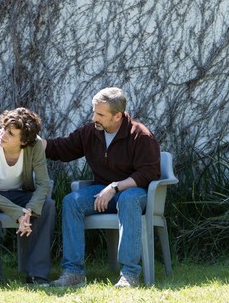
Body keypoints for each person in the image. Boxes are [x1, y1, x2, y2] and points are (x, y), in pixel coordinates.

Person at [45, 87, 161, 288]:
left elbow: (149, 174)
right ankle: (73, 273)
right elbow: (63, 149)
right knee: (71, 202)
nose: (94, 118)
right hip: (102, 191)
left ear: (118, 116)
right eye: (94, 112)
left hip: (136, 192)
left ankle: (130, 274)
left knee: (128, 199)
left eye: (100, 114)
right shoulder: (91, 132)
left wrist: (115, 187)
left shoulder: (140, 135)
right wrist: (36, 143)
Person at [0, 107, 55, 287]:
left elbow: (43, 184)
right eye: (3, 129)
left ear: (24, 141)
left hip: (20, 194)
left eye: (10, 134)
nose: (3, 134)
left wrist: (29, 210)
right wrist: (18, 213)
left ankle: (37, 275)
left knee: (47, 205)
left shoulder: (36, 146)